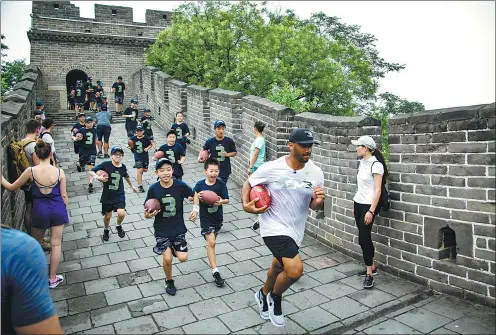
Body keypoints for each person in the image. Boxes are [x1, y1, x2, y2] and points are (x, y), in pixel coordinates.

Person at [241, 128, 325, 327]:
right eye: (304, 145)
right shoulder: (272, 168)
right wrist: (246, 204)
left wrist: (318, 202)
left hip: (296, 229)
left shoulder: (316, 173)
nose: (308, 149)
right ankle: (275, 298)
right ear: (290, 145)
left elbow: (312, 205)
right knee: (295, 270)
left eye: (310, 146)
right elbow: (248, 184)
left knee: (277, 267)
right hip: (273, 227)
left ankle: (262, 295)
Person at [2, 140, 69, 289]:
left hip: (40, 209)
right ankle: (52, 278)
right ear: (50, 153)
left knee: (35, 244)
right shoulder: (59, 172)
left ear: (37, 155)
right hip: (57, 208)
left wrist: (1, 179)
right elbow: (64, 196)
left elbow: (12, 188)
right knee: (56, 244)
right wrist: (64, 208)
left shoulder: (30, 171)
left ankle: (34, 277)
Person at [143, 158, 195, 296]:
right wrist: (148, 215)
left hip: (178, 228)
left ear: (172, 170)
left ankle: (172, 247)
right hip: (162, 229)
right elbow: (146, 211)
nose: (165, 173)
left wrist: (195, 209)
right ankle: (169, 280)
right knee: (167, 259)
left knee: (183, 258)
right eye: (162, 170)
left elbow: (193, 195)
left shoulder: (180, 185)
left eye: (168, 169)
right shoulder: (153, 189)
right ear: (156, 172)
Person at [1, 226, 63, 334]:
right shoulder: (16, 251)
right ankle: (52, 277)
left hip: (39, 215)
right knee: (56, 243)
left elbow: (29, 211)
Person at [351, 135, 388, 289]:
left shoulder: (376, 165)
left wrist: (371, 211)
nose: (356, 148)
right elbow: (361, 187)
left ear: (365, 148)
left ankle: (369, 274)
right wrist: (355, 205)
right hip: (359, 202)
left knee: (363, 238)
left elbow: (378, 190)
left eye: (358, 146)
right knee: (364, 236)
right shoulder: (362, 163)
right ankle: (372, 266)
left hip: (369, 205)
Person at [191, 158, 229, 287]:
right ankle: (215, 271)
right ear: (205, 171)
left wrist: (220, 201)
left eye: (216, 171)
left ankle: (209, 247)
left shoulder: (221, 184)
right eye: (211, 171)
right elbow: (194, 195)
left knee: (211, 243)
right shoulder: (200, 184)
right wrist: (195, 210)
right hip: (206, 220)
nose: (214, 173)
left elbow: (227, 200)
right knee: (211, 242)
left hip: (217, 219)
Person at [90, 146, 137, 242]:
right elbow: (91, 171)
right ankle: (106, 229)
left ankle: (118, 226)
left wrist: (132, 186)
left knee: (121, 213)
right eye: (116, 154)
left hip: (119, 194)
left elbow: (126, 176)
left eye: (120, 155)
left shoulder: (123, 167)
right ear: (111, 156)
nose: (118, 157)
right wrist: (97, 177)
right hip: (107, 195)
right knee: (107, 217)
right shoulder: (106, 165)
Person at [248, 121, 266, 231]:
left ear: (255, 128)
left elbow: (255, 154)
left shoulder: (259, 140)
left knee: (257, 191)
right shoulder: (260, 139)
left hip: (257, 167)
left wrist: (250, 167)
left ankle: (260, 216)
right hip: (257, 167)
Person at [72, 117, 97, 193]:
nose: (90, 124)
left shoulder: (95, 130)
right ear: (85, 123)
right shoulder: (82, 130)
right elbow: (73, 136)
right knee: (82, 164)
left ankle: (90, 184)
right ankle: (78, 164)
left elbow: (96, 138)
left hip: (92, 151)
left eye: (91, 122)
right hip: (83, 151)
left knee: (91, 168)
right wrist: (76, 138)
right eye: (88, 122)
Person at [130, 125, 152, 193]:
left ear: (143, 131)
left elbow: (150, 144)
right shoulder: (133, 138)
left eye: (140, 131)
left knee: (144, 170)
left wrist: (147, 148)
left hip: (145, 157)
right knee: (139, 170)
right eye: (137, 131)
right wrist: (130, 146)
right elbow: (130, 146)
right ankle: (140, 185)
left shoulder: (146, 138)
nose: (139, 132)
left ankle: (141, 174)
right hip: (137, 157)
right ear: (135, 131)